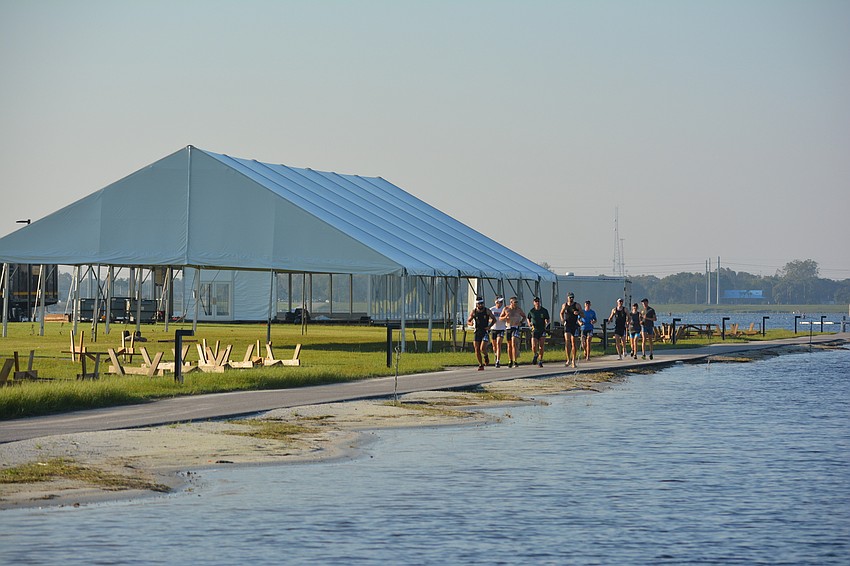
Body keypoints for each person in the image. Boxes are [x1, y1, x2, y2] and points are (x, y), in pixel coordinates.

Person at [468, 297, 497, 370]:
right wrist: (470, 323)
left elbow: (494, 319)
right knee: (477, 349)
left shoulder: (487, 311)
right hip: (477, 331)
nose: (481, 305)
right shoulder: (474, 312)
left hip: (485, 331)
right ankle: (481, 364)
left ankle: (486, 356)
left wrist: (489, 326)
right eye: (479, 304)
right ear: (477, 304)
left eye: (482, 303)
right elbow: (468, 320)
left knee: (482, 348)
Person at [500, 296, 526, 368]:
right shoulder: (506, 309)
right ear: (511, 302)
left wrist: (520, 322)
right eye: (515, 302)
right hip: (508, 327)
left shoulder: (518, 309)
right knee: (509, 345)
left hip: (515, 328)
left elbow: (524, 316)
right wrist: (505, 317)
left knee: (514, 343)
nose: (516, 304)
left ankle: (515, 361)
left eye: (517, 302)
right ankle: (510, 360)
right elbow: (500, 318)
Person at [559, 292, 583, 368]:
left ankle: (573, 361)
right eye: (570, 297)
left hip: (574, 325)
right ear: (567, 298)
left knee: (573, 343)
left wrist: (578, 313)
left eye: (572, 297)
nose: (571, 299)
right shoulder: (565, 305)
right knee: (567, 341)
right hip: (568, 324)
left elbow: (583, 314)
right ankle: (568, 359)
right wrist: (562, 319)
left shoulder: (577, 305)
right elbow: (561, 313)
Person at [526, 297, 550, 368]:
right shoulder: (532, 311)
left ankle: (540, 360)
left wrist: (546, 322)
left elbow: (548, 319)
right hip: (535, 330)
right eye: (535, 301)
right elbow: (528, 318)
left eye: (538, 301)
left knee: (541, 346)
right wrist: (529, 323)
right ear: (534, 303)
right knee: (534, 345)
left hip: (542, 329)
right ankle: (535, 354)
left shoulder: (544, 310)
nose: (537, 303)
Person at [489, 297, 506, 368]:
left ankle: (498, 361)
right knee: (494, 345)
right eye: (499, 302)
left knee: (499, 344)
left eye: (502, 302)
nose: (500, 304)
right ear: (496, 302)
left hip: (501, 328)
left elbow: (506, 317)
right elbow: (488, 319)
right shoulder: (492, 309)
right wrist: (492, 321)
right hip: (494, 328)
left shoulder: (504, 309)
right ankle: (496, 354)